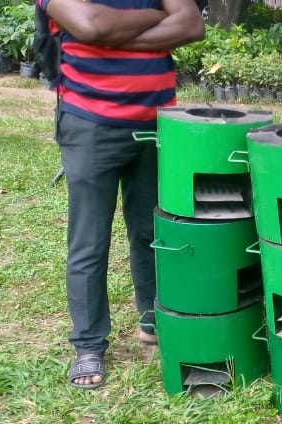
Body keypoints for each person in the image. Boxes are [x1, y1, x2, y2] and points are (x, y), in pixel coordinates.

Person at [42, 0, 204, 389]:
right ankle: (88, 344)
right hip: (90, 121)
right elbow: (91, 25)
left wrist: (116, 33)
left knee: (152, 229)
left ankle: (153, 319)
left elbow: (191, 25)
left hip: (155, 123)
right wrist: (156, 17)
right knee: (89, 239)